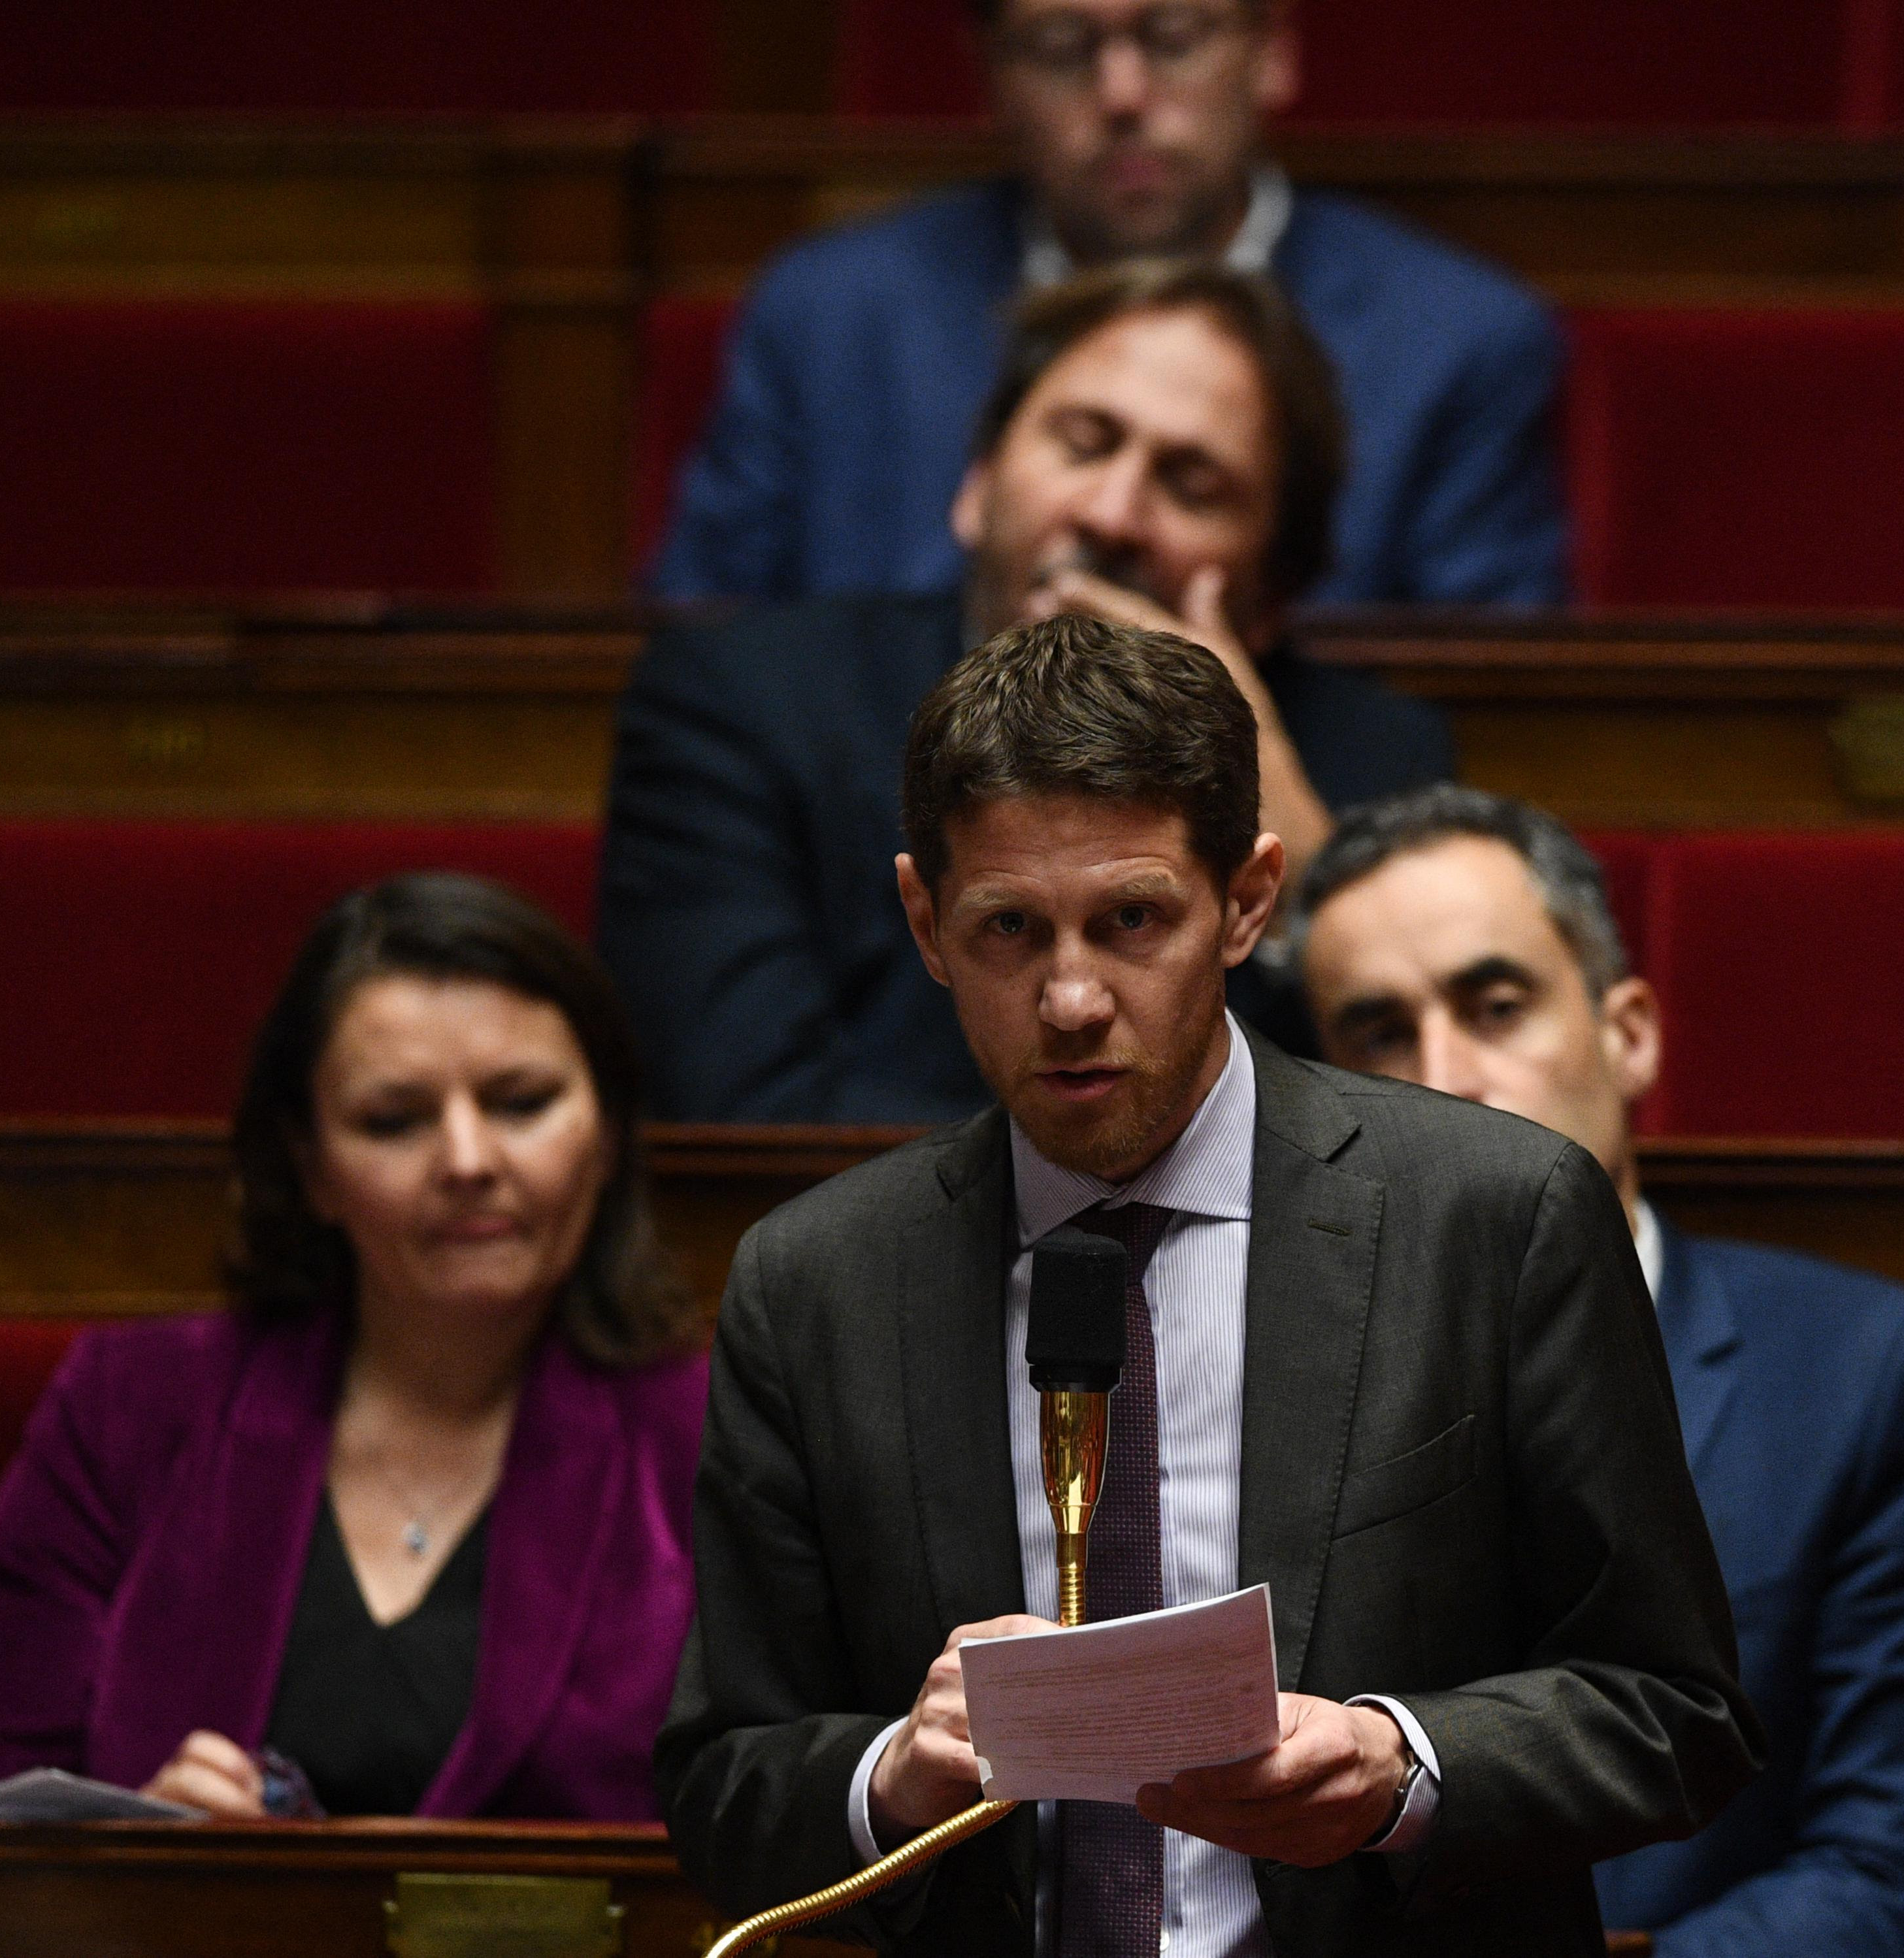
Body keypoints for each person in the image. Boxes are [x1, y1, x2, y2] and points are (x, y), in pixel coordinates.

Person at [656, 615, 1756, 1956]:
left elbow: (1674, 1710)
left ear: (1246, 899)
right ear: (923, 921)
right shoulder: (817, 1280)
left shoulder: (1492, 1217)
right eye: (1009, 926)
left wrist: (1397, 1761)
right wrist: (895, 1767)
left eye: (1131, 919)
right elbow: (720, 1779)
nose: (1070, 996)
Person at [1286, 785, 1904, 1958]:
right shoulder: (1267, 1382)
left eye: (1496, 1004)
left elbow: (1894, 1878)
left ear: (1628, 1033)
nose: (1444, 1076)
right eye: (1378, 1032)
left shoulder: (1869, 1379)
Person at [0, 873, 708, 1821]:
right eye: (393, 1120)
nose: (468, 1159)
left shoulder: (708, 1431)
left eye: (520, 1101)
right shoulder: (133, 1404)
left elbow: (773, 1817)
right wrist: (135, 1847)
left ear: (606, 1135)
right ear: (310, 1164)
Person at [601, 258, 1451, 1124]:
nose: (1114, 514)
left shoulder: (1372, 760)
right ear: (977, 485)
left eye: (1192, 485)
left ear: (1269, 597)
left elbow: (1423, 1123)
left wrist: (1312, 881)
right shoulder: (743, 703)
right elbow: (744, 1102)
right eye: (1084, 444)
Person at [648, 0, 1566, 608]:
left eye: (1173, 37)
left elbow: (1490, 720)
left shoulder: (1455, 339)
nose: (1123, 95)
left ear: (1273, 50)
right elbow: (702, 656)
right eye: (1061, 49)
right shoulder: (829, 317)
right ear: (989, 74)